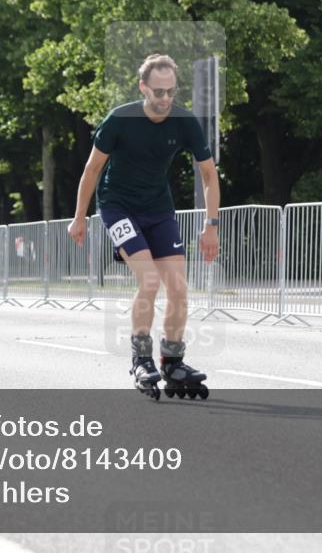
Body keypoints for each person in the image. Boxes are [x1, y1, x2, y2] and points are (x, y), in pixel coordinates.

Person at [68, 54, 220, 400]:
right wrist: (79, 217)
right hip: (117, 207)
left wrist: (211, 224)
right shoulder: (120, 119)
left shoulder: (183, 122)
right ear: (143, 88)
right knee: (150, 280)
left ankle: (173, 360)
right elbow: (92, 170)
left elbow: (209, 174)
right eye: (158, 92)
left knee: (179, 288)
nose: (165, 99)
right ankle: (140, 356)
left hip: (158, 208)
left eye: (170, 92)